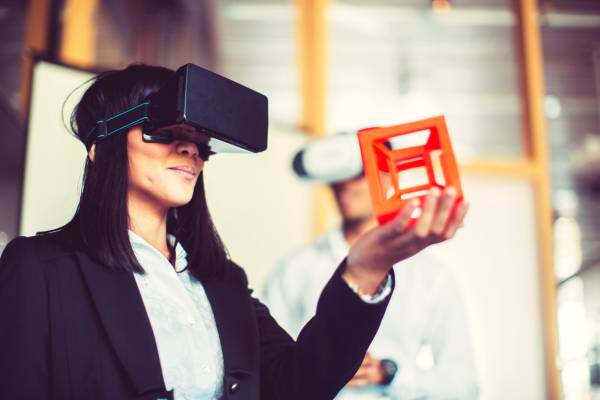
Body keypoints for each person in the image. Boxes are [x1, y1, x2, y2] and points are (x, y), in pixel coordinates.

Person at [0, 64, 468, 400]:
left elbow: (300, 385)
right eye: (162, 130)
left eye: (197, 140)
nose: (188, 148)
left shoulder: (223, 283)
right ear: (100, 148)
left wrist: (367, 268)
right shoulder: (41, 269)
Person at [263, 133, 478, 399]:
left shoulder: (432, 277)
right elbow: (265, 363)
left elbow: (464, 386)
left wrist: (391, 372)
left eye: (359, 172)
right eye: (337, 173)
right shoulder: (294, 269)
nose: (345, 184)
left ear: (387, 177)